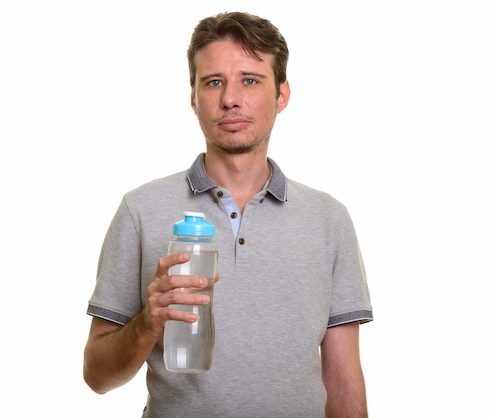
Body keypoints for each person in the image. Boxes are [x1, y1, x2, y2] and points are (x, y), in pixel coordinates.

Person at [83, 11, 373, 418]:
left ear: (282, 94)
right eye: (213, 81)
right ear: (193, 96)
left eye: (250, 80)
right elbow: (97, 376)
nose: (230, 98)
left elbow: (343, 381)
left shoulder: (329, 220)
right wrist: (148, 322)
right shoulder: (140, 211)